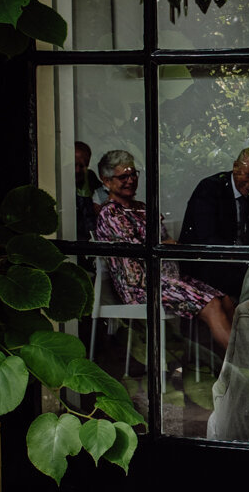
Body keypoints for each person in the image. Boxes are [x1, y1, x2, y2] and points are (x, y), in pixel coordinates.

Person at [94, 149, 236, 351]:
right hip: (141, 287)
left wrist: (169, 244)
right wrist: (169, 244)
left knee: (225, 300)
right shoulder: (110, 214)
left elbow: (165, 239)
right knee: (211, 305)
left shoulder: (142, 207)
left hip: (167, 279)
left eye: (133, 174)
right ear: (106, 181)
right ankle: (241, 367)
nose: (131, 180)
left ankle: (238, 363)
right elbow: (144, 250)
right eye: (123, 176)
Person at [177, 146, 249, 300]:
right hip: (207, 263)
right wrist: (246, 263)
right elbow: (208, 241)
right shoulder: (210, 189)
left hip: (241, 265)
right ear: (235, 167)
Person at [74, 139, 98, 241]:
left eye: (82, 166)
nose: (77, 170)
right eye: (74, 164)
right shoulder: (60, 182)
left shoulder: (90, 177)